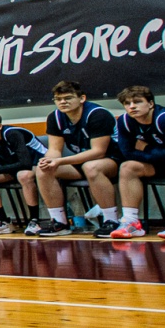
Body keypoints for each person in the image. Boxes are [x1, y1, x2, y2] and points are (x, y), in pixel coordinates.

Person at [106, 86, 165, 240]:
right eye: (127, 103)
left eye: (137, 102)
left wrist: (146, 149)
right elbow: (127, 153)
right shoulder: (124, 121)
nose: (132, 106)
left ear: (150, 104)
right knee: (128, 167)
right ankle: (131, 222)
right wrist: (153, 151)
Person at [35, 81, 119, 236]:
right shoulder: (55, 117)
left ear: (82, 98)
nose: (63, 102)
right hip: (81, 161)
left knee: (91, 167)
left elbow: (98, 152)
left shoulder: (98, 114)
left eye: (68, 98)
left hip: (113, 160)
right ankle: (60, 223)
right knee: (43, 170)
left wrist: (60, 161)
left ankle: (111, 221)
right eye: (58, 99)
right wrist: (48, 160)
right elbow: (54, 149)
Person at [0, 111, 48, 235]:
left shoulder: (12, 134)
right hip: (14, 169)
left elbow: (25, 163)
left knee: (24, 175)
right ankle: (3, 221)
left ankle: (34, 221)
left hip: (39, 165)